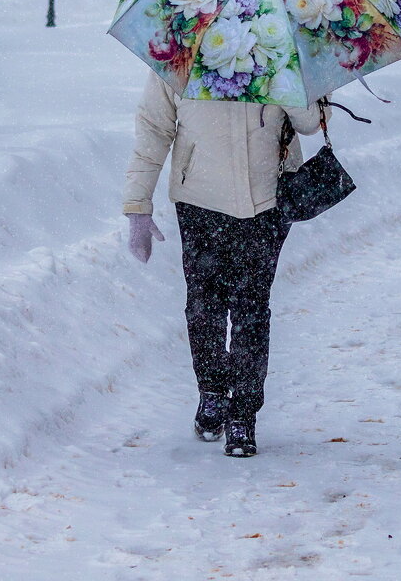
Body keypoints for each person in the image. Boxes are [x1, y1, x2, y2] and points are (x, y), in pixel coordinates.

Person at [123, 72, 328, 458]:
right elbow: (154, 128)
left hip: (267, 202)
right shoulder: (181, 48)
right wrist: (138, 204)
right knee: (204, 306)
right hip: (199, 201)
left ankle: (243, 414)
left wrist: (286, 80)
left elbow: (311, 124)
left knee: (252, 309)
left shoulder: (282, 51)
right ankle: (213, 390)